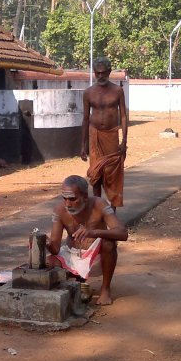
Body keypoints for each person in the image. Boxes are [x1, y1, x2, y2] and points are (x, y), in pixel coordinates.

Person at [46, 175, 128, 306]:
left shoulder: (99, 204)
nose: (67, 204)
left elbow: (123, 233)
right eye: (65, 198)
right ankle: (73, 285)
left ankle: (105, 289)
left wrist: (93, 232)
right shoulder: (59, 210)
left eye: (72, 199)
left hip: (97, 257)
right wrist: (46, 243)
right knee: (49, 262)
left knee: (108, 243)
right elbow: (55, 248)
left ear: (85, 196)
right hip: (72, 256)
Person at [81, 57, 128, 208]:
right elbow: (85, 119)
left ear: (109, 72)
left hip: (112, 136)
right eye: (97, 73)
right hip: (94, 135)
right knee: (96, 175)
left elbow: (123, 116)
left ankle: (112, 212)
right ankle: (98, 209)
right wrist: (83, 145)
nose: (100, 76)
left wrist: (124, 141)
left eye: (103, 73)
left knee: (112, 174)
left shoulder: (117, 91)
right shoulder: (88, 92)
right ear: (94, 73)